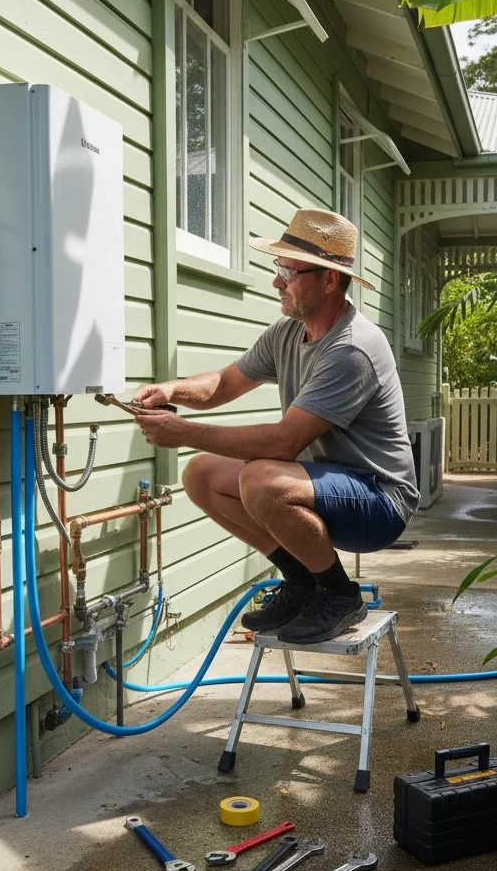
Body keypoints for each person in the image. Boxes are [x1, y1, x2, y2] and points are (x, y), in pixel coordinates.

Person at [132, 208, 419, 644]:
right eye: (278, 267)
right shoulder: (288, 331)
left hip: (379, 500)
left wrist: (184, 433)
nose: (276, 281)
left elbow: (286, 442)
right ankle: (302, 583)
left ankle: (340, 596)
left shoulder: (352, 348)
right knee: (202, 475)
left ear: (328, 280)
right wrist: (170, 390)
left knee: (263, 480)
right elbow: (225, 383)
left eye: (289, 270)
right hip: (326, 485)